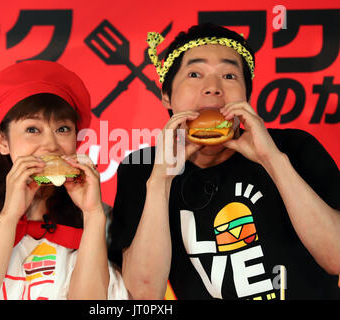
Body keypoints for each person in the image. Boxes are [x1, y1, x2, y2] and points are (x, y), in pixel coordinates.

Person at [107, 23, 340, 300]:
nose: (213, 88)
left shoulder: (293, 147)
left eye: (229, 75)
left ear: (246, 96)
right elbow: (144, 295)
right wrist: (162, 179)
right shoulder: (142, 168)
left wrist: (273, 161)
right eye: (195, 73)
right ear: (166, 95)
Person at [0, 60, 128, 300]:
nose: (51, 144)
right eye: (33, 129)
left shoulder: (98, 215)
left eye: (63, 129)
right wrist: (10, 214)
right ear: (3, 140)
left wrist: (93, 216)